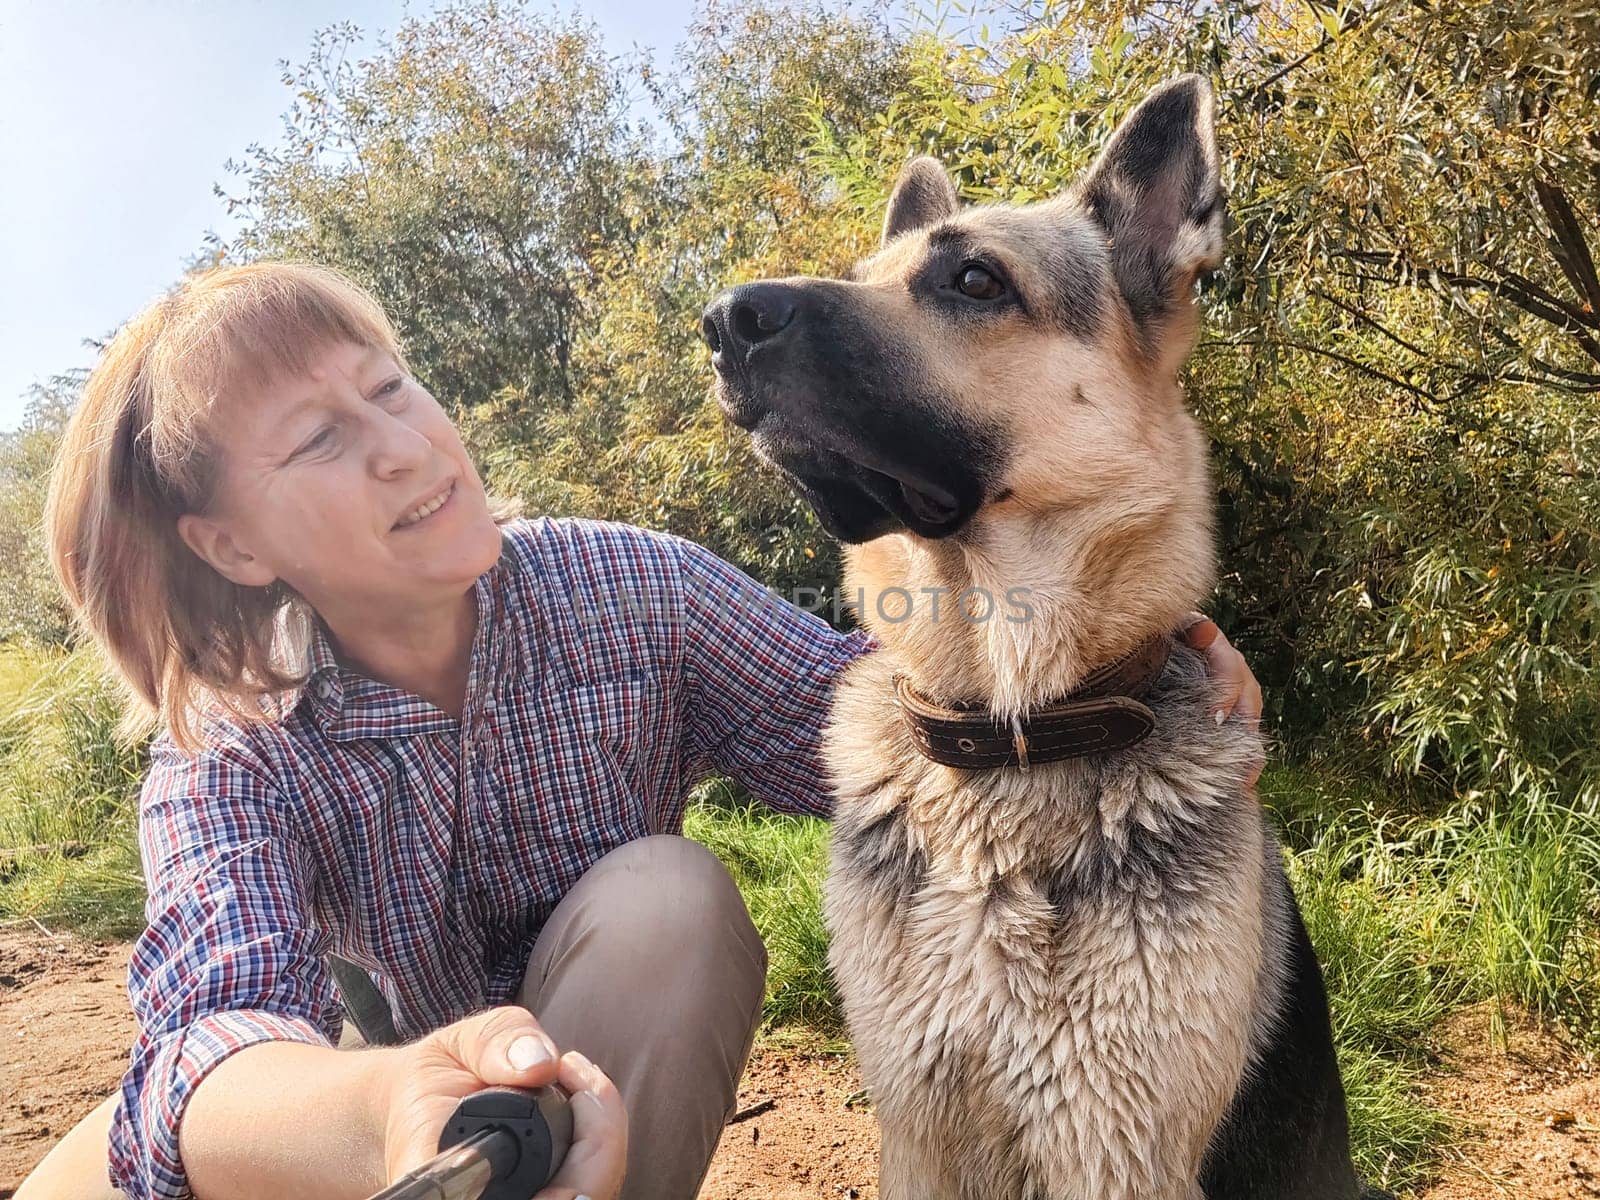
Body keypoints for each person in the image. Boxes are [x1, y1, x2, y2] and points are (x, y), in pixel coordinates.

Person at [16, 262, 1263, 1200]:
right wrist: (393, 1098)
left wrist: (1122, 653)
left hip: (600, 1088)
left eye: (391, 390)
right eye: (322, 439)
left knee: (670, 896)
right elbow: (206, 1037)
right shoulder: (233, 740)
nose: (404, 449)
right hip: (370, 1110)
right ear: (232, 547)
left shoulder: (626, 589)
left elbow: (877, 712)